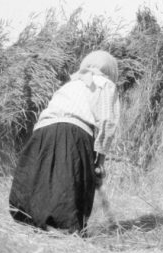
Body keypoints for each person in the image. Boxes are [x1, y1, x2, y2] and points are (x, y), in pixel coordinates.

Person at [9, 50, 121, 234]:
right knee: (69, 183)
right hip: (73, 132)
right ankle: (64, 230)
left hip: (42, 131)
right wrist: (99, 161)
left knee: (42, 178)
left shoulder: (71, 84)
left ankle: (35, 224)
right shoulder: (105, 84)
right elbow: (107, 122)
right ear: (110, 69)